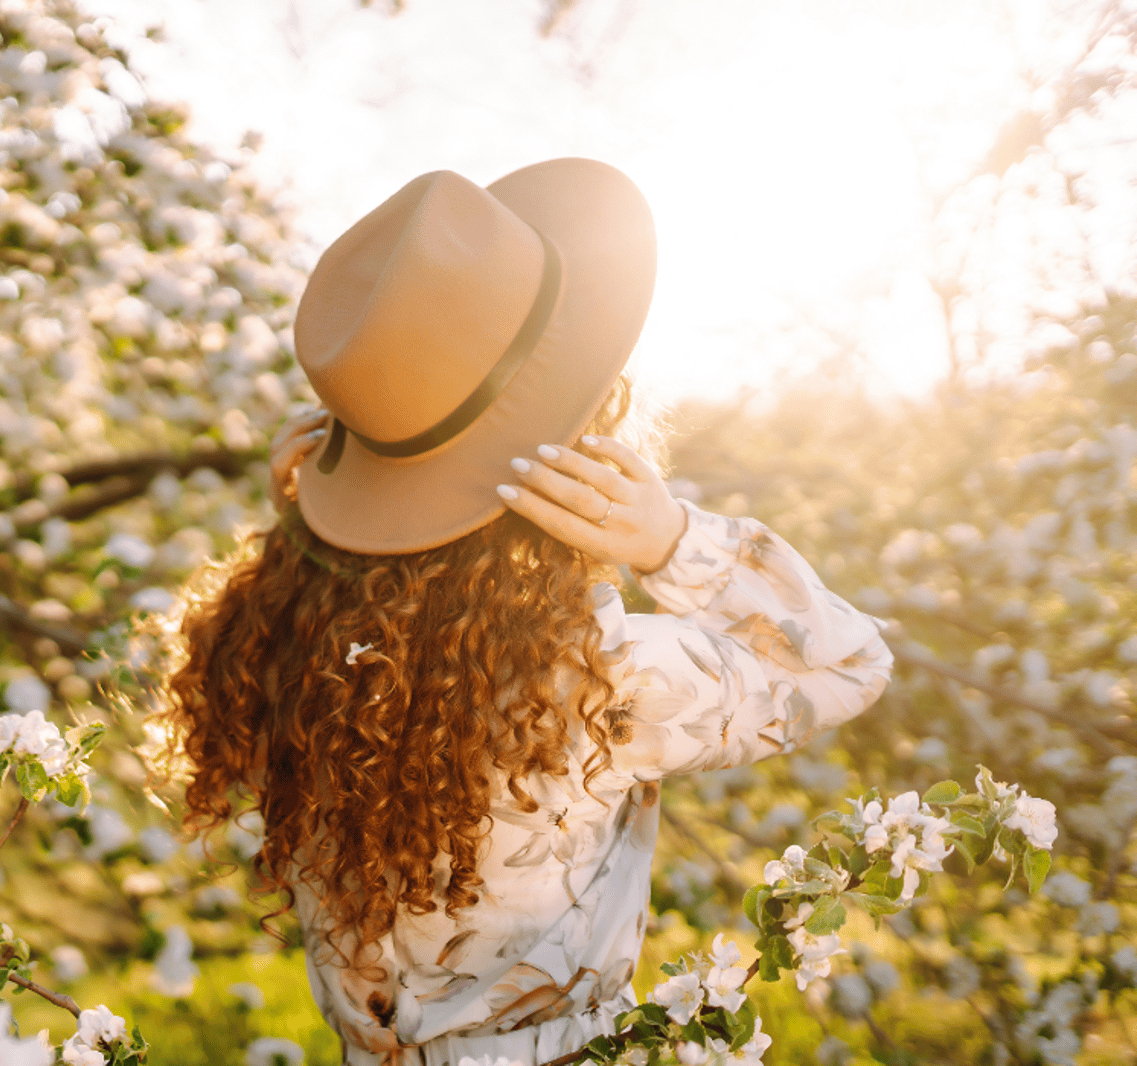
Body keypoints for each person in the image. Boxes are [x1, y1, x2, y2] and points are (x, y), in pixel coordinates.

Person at [151, 161, 893, 1065]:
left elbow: (360, 580)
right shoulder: (596, 677)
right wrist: (673, 539)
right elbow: (850, 663)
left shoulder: (274, 647)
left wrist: (306, 527)